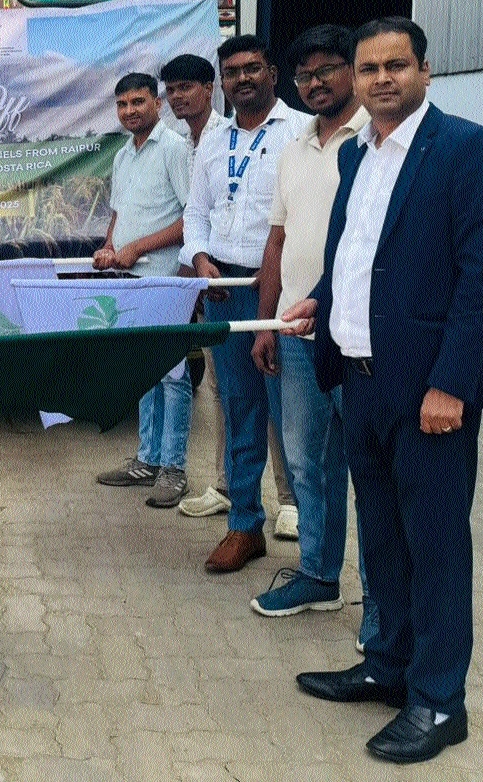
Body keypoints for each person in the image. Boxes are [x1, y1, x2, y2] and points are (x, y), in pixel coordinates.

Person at [283, 17, 483, 764]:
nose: (383, 78)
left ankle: (441, 702)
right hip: (362, 377)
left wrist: (451, 382)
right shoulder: (359, 154)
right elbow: (358, 251)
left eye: (397, 65)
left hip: (428, 395)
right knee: (381, 537)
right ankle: (388, 665)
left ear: (424, 72)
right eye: (370, 67)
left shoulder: (467, 150)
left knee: (436, 547)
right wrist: (320, 299)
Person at [249, 26, 374, 628]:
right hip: (297, 335)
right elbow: (277, 240)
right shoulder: (294, 148)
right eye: (305, 75)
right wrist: (268, 324)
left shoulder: (374, 144)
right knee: (306, 465)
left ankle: (383, 610)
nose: (316, 82)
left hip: (360, 337)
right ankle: (319, 577)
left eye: (328, 69)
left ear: (352, 70)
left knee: (374, 476)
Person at [180, 35, 302, 574]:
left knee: (292, 415)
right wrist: (201, 258)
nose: (242, 79)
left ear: (272, 73)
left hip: (281, 289)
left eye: (252, 68)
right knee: (239, 409)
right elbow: (194, 211)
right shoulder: (213, 140)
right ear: (222, 83)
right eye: (232, 72)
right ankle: (244, 526)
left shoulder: (301, 132)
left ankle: (310, 534)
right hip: (224, 289)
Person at [92, 73, 195, 507]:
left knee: (172, 375)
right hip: (131, 279)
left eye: (138, 101)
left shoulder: (174, 149)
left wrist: (137, 248)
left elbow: (192, 220)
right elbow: (120, 213)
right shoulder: (123, 155)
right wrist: (111, 246)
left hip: (166, 278)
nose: (130, 110)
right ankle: (146, 461)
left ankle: (173, 469)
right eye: (122, 104)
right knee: (144, 369)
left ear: (158, 103)